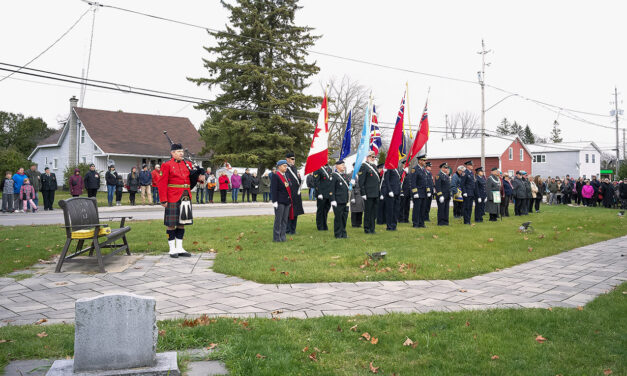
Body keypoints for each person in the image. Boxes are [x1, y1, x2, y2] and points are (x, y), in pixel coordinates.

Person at [158, 143, 204, 257]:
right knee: (171, 224)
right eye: (179, 152)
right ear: (172, 153)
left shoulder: (187, 164)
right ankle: (172, 248)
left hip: (185, 196)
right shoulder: (166, 165)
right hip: (172, 196)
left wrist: (200, 175)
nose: (181, 153)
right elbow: (162, 183)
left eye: (182, 151)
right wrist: (163, 199)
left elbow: (193, 179)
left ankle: (180, 248)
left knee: (182, 223)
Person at [358, 151, 381, 234]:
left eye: (374, 157)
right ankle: (367, 229)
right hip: (368, 194)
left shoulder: (374, 166)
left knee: (374, 213)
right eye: (372, 157)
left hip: (375, 193)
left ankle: (372, 228)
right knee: (368, 212)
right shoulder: (364, 167)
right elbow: (361, 182)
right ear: (367, 157)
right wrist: (363, 193)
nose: (373, 158)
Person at [271, 160, 292, 242]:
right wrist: (274, 201)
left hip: (287, 200)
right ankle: (276, 238)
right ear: (279, 167)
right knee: (278, 220)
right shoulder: (276, 175)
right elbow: (274, 189)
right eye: (284, 166)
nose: (285, 167)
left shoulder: (286, 175)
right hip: (279, 201)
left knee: (284, 220)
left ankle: (283, 237)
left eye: (286, 166)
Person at [285, 152, 304, 234]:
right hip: (290, 193)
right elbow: (287, 181)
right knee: (289, 212)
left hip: (296, 193)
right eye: (292, 159)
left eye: (294, 159)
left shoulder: (294, 168)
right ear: (287, 159)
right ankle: (288, 229)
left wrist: (299, 178)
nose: (294, 160)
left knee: (295, 212)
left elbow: (297, 180)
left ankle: (293, 229)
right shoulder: (286, 168)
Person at [330, 160, 350, 238]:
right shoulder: (334, 175)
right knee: (338, 218)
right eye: (342, 165)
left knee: (344, 218)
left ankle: (343, 233)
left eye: (344, 165)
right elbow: (331, 189)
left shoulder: (345, 176)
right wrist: (333, 199)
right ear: (337, 166)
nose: (343, 166)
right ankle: (338, 234)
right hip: (337, 200)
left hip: (344, 200)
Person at [313, 162, 333, 231]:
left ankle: (324, 225)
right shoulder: (317, 168)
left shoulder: (329, 169)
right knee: (320, 210)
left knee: (326, 210)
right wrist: (319, 193)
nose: (327, 159)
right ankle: (320, 226)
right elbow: (316, 182)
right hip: (321, 194)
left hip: (328, 194)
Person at [381, 163, 401, 231]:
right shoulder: (389, 168)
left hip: (397, 192)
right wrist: (389, 190)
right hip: (391, 193)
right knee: (390, 210)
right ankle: (389, 226)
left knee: (396, 210)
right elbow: (386, 180)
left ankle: (394, 225)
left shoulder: (396, 169)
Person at [411, 156, 429, 228]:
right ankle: (415, 223)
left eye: (425, 161)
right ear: (420, 161)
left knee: (422, 209)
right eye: (424, 161)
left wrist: (427, 191)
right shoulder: (415, 169)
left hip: (423, 193)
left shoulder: (423, 170)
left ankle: (421, 223)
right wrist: (415, 193)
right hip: (418, 193)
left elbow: (425, 181)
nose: (425, 162)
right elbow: (413, 182)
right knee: (417, 209)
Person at [460, 160, 476, 225]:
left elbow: (472, 183)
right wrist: (464, 192)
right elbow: (462, 183)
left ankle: (468, 220)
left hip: (471, 192)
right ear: (468, 166)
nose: (472, 166)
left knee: (470, 207)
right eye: (471, 165)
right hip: (466, 193)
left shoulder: (471, 173)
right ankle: (466, 221)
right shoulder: (464, 173)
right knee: (466, 207)